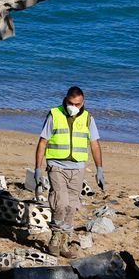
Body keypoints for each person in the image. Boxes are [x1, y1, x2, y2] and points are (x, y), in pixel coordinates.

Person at [33, 86, 104, 257]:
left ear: (83, 102)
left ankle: (64, 240)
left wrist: (99, 168)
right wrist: (38, 169)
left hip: (78, 168)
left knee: (72, 206)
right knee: (60, 201)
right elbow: (42, 142)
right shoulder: (55, 114)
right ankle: (56, 235)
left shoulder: (88, 118)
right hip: (57, 165)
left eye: (78, 104)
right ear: (66, 99)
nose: (74, 107)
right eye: (71, 103)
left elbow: (94, 144)